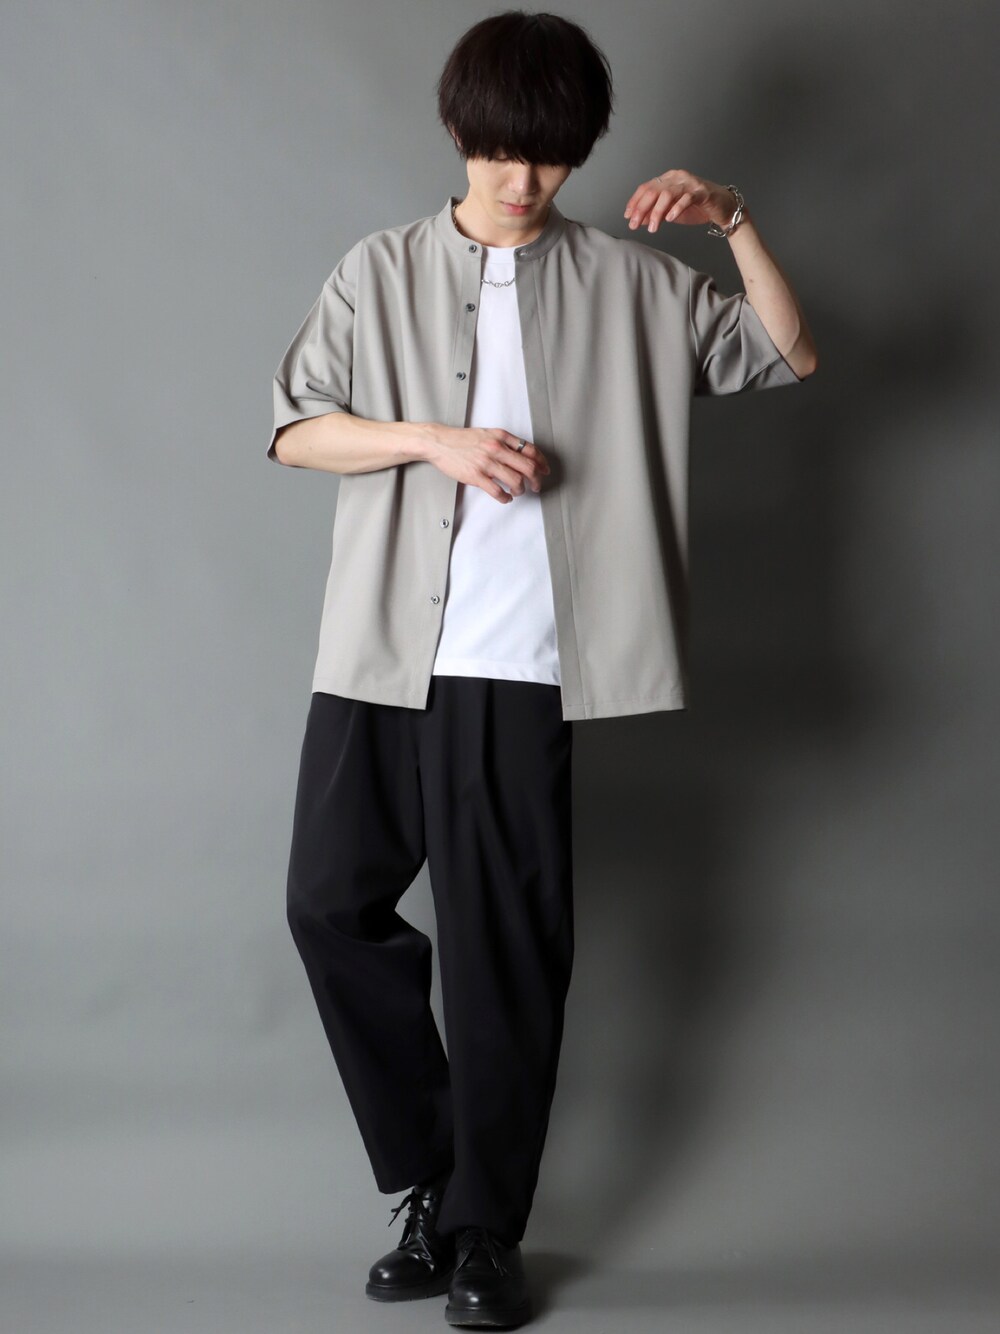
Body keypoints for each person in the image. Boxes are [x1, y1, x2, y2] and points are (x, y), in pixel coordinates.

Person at [267, 10, 817, 1329]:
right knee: (328, 902)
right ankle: (434, 1172)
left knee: (503, 953)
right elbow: (297, 428)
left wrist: (736, 221)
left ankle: (482, 1234)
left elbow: (785, 352)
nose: (522, 177)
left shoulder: (630, 281)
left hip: (521, 668)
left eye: (551, 155)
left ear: (579, 152)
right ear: (461, 132)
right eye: (501, 149)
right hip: (383, 653)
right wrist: (433, 441)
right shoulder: (380, 269)